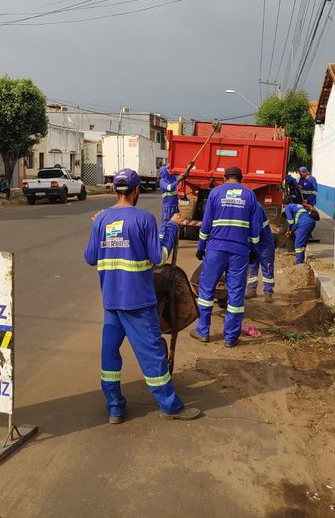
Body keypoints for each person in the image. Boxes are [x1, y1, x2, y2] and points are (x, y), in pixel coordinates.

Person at [84, 168, 200, 424]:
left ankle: (114, 407)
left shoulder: (101, 220)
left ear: (114, 190)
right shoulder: (144, 220)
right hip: (137, 302)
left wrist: (97, 228)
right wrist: (171, 227)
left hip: (111, 302)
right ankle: (170, 407)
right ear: (137, 191)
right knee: (153, 354)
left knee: (110, 355)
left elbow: (90, 258)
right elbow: (159, 257)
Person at [191, 166, 262, 347]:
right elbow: (255, 227)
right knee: (236, 294)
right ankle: (230, 338)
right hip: (239, 251)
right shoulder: (249, 195)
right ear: (241, 179)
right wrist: (254, 248)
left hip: (216, 249)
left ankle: (203, 331)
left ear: (224, 178)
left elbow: (206, 224)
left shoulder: (215, 193)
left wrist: (201, 246)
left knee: (206, 291)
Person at [245, 206, 275, 303]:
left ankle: (268, 292)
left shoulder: (255, 208)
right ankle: (251, 290)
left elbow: (256, 228)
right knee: (252, 266)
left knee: (267, 266)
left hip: (264, 243)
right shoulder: (244, 207)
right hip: (253, 242)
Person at [283, 199, 317, 264]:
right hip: (311, 223)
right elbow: (296, 223)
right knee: (302, 243)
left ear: (284, 205)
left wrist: (289, 229)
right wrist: (291, 231)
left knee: (298, 244)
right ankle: (302, 259)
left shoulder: (288, 207)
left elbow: (291, 221)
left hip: (304, 224)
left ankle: (299, 263)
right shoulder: (297, 206)